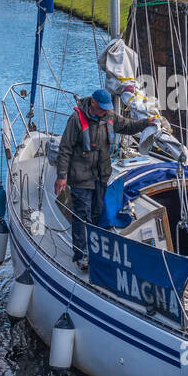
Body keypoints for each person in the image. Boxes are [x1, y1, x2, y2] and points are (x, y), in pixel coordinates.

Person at [55, 88, 156, 268]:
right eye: (102, 108)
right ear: (93, 103)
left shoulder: (109, 117)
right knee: (81, 214)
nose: (104, 111)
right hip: (80, 176)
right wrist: (61, 176)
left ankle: (96, 249)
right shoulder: (76, 120)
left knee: (97, 212)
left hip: (100, 176)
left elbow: (127, 126)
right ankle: (81, 255)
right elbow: (65, 149)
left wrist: (145, 123)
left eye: (106, 108)